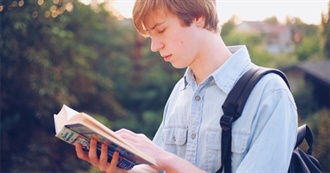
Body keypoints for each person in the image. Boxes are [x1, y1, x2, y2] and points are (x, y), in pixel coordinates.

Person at [75, 0, 298, 172]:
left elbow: (164, 161)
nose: (154, 46)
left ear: (198, 17)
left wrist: (166, 158)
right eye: (150, 35)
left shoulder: (269, 93)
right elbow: (159, 168)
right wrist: (123, 168)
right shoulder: (180, 93)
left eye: (161, 30)